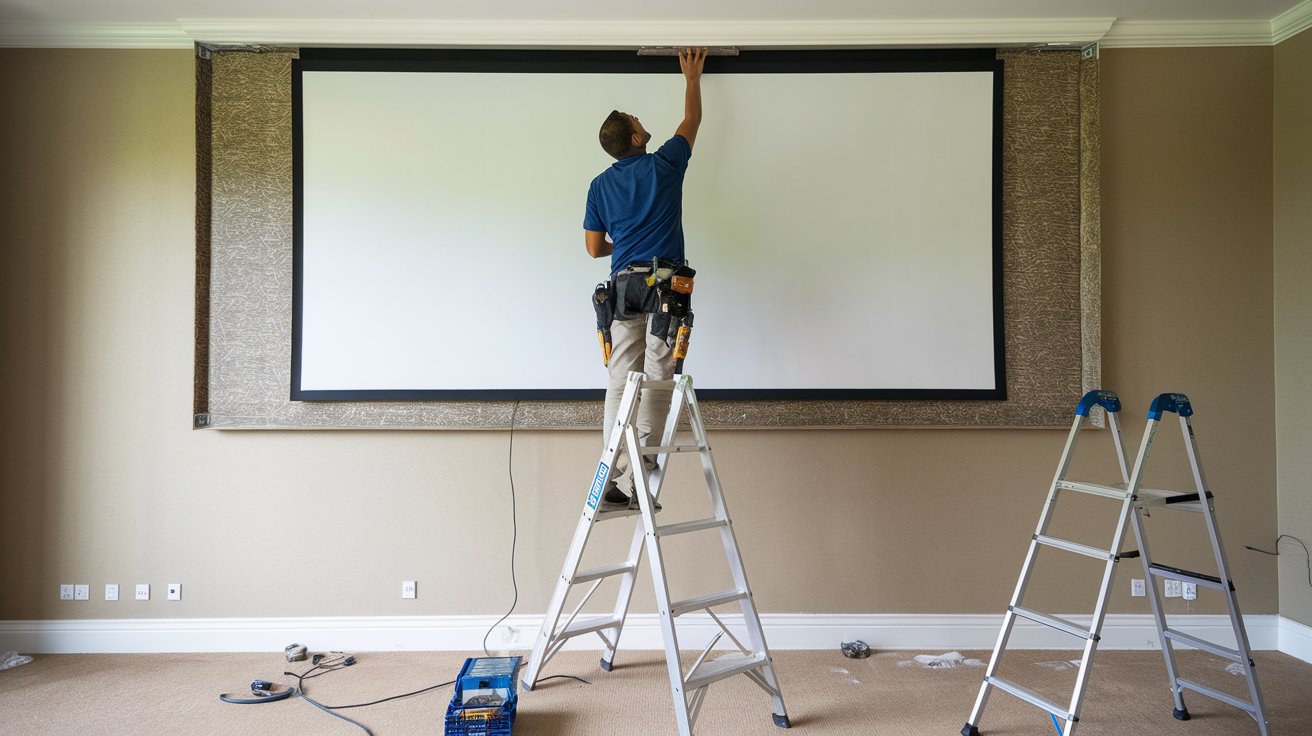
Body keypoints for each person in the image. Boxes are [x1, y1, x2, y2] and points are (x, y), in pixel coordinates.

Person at [583, 47, 706, 511]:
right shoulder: (664, 165)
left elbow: (595, 249)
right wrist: (691, 78)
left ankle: (610, 477)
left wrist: (626, 244)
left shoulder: (599, 185)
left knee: (620, 382)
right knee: (657, 379)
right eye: (638, 120)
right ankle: (641, 482)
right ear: (636, 137)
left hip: (621, 291)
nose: (643, 122)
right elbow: (690, 122)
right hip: (663, 291)